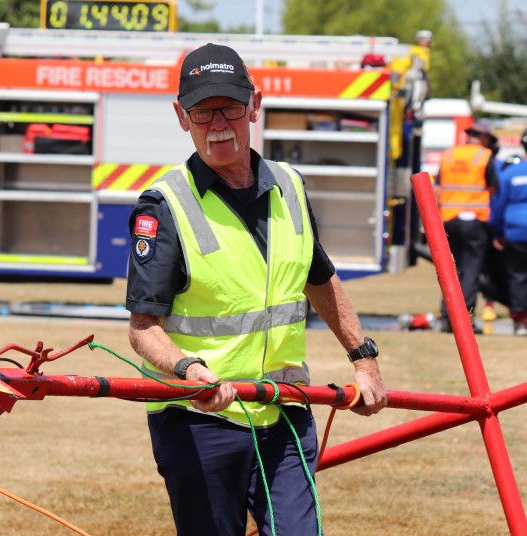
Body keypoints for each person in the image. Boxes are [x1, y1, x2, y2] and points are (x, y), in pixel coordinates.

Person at [125, 43, 387, 535]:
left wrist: (364, 357)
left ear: (255, 105)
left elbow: (319, 277)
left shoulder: (290, 185)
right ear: (182, 117)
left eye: (230, 107)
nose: (218, 123)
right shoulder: (163, 206)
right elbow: (143, 329)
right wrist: (188, 369)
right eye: (203, 112)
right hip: (200, 419)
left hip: (284, 410)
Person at [434, 123, 499, 332]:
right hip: (474, 220)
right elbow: (493, 187)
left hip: (449, 219)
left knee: (452, 269)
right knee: (471, 270)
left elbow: (438, 187)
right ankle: (464, 321)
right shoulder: (484, 156)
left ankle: (446, 315)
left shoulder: (449, 155)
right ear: (484, 138)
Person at [489, 128, 527, 336]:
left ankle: (521, 321)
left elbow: (498, 205)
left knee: (518, 275)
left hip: (516, 231)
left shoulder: (510, 172)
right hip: (516, 230)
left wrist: (497, 232)